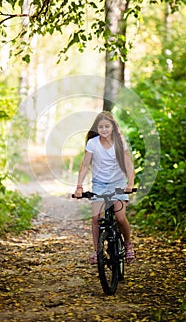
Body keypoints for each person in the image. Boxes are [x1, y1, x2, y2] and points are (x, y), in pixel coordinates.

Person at [74, 111, 135, 265]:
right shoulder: (92, 143)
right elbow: (85, 165)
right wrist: (79, 186)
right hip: (99, 185)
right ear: (97, 128)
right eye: (101, 127)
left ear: (113, 127)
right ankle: (96, 251)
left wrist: (130, 183)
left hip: (118, 184)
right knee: (96, 218)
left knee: (120, 218)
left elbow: (128, 164)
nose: (104, 129)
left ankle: (128, 245)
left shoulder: (120, 142)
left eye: (107, 126)